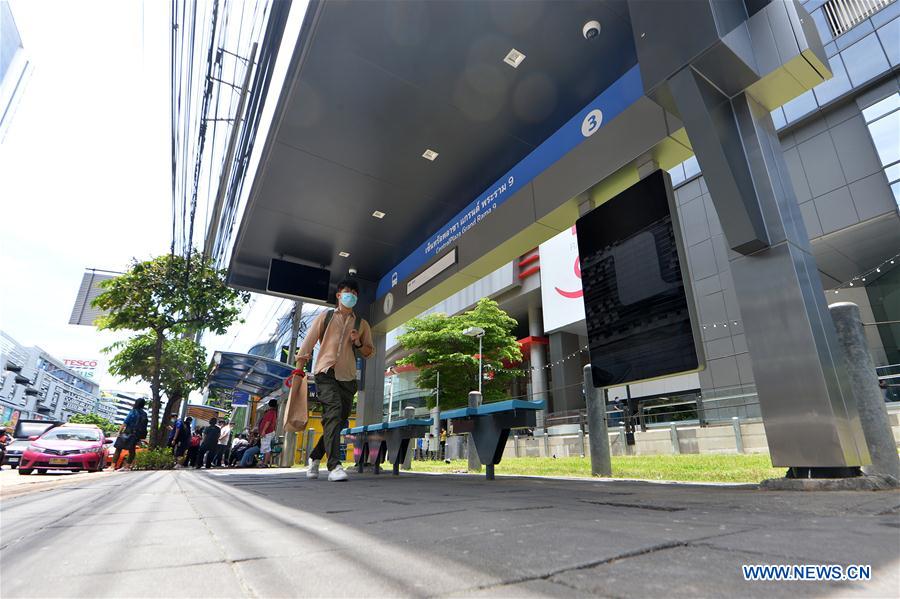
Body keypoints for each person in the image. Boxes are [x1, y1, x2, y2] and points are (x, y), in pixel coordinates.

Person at [295, 278, 374, 482]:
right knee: (333, 412)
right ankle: (334, 466)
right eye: (348, 292)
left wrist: (357, 342)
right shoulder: (326, 316)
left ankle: (314, 458)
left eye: (355, 293)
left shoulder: (362, 324)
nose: (352, 296)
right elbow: (309, 342)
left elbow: (368, 352)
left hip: (347, 377)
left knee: (338, 420)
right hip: (325, 372)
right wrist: (298, 370)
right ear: (339, 295)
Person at [110, 398, 148, 470]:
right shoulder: (144, 414)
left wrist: (120, 431)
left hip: (128, 432)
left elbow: (125, 422)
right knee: (132, 450)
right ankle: (127, 466)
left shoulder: (133, 412)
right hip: (136, 435)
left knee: (118, 448)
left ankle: (112, 466)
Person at [257, 399, 279, 467]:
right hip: (269, 432)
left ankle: (265, 463)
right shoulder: (273, 412)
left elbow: (268, 422)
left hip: (267, 432)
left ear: (269, 404)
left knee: (266, 448)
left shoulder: (270, 412)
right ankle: (263, 462)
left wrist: (263, 431)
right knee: (264, 447)